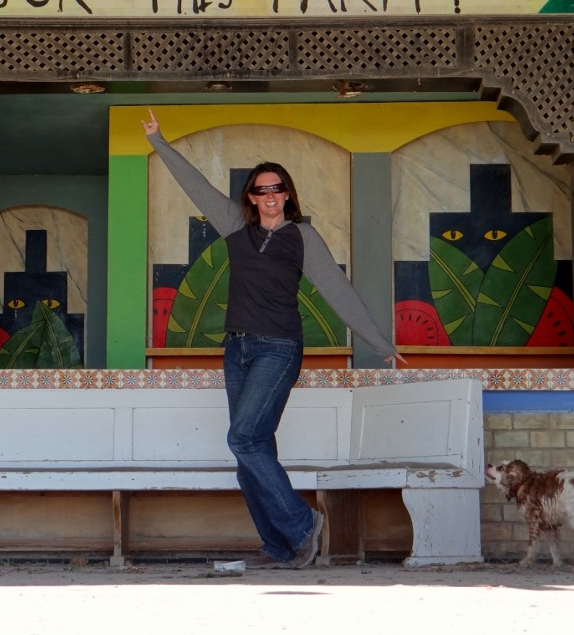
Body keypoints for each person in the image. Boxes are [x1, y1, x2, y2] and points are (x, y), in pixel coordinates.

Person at [142, 108, 406, 569]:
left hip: (278, 348)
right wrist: (159, 142)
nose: (270, 196)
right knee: (254, 449)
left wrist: (379, 342)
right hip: (237, 349)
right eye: (261, 190)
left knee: (243, 439)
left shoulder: (302, 237)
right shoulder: (235, 228)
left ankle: (303, 524)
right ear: (251, 196)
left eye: (277, 188)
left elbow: (338, 292)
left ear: (287, 194)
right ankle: (281, 545)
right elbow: (197, 186)